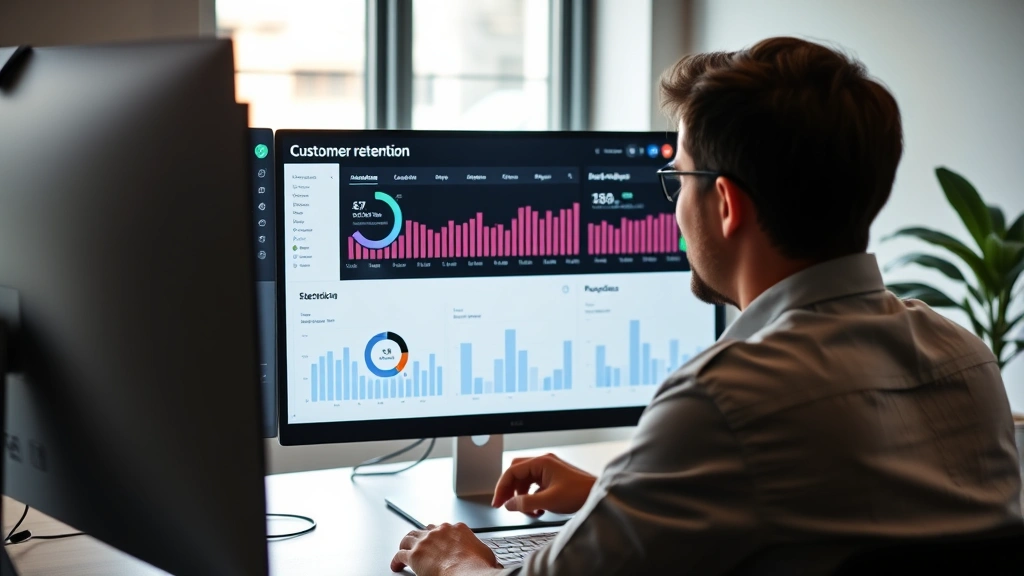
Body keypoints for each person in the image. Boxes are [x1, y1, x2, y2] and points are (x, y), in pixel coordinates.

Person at [390, 36, 1024, 576]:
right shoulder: (964, 358)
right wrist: (617, 496)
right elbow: (842, 512)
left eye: (679, 180)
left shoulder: (725, 399)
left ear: (725, 204)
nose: (672, 209)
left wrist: (453, 559)